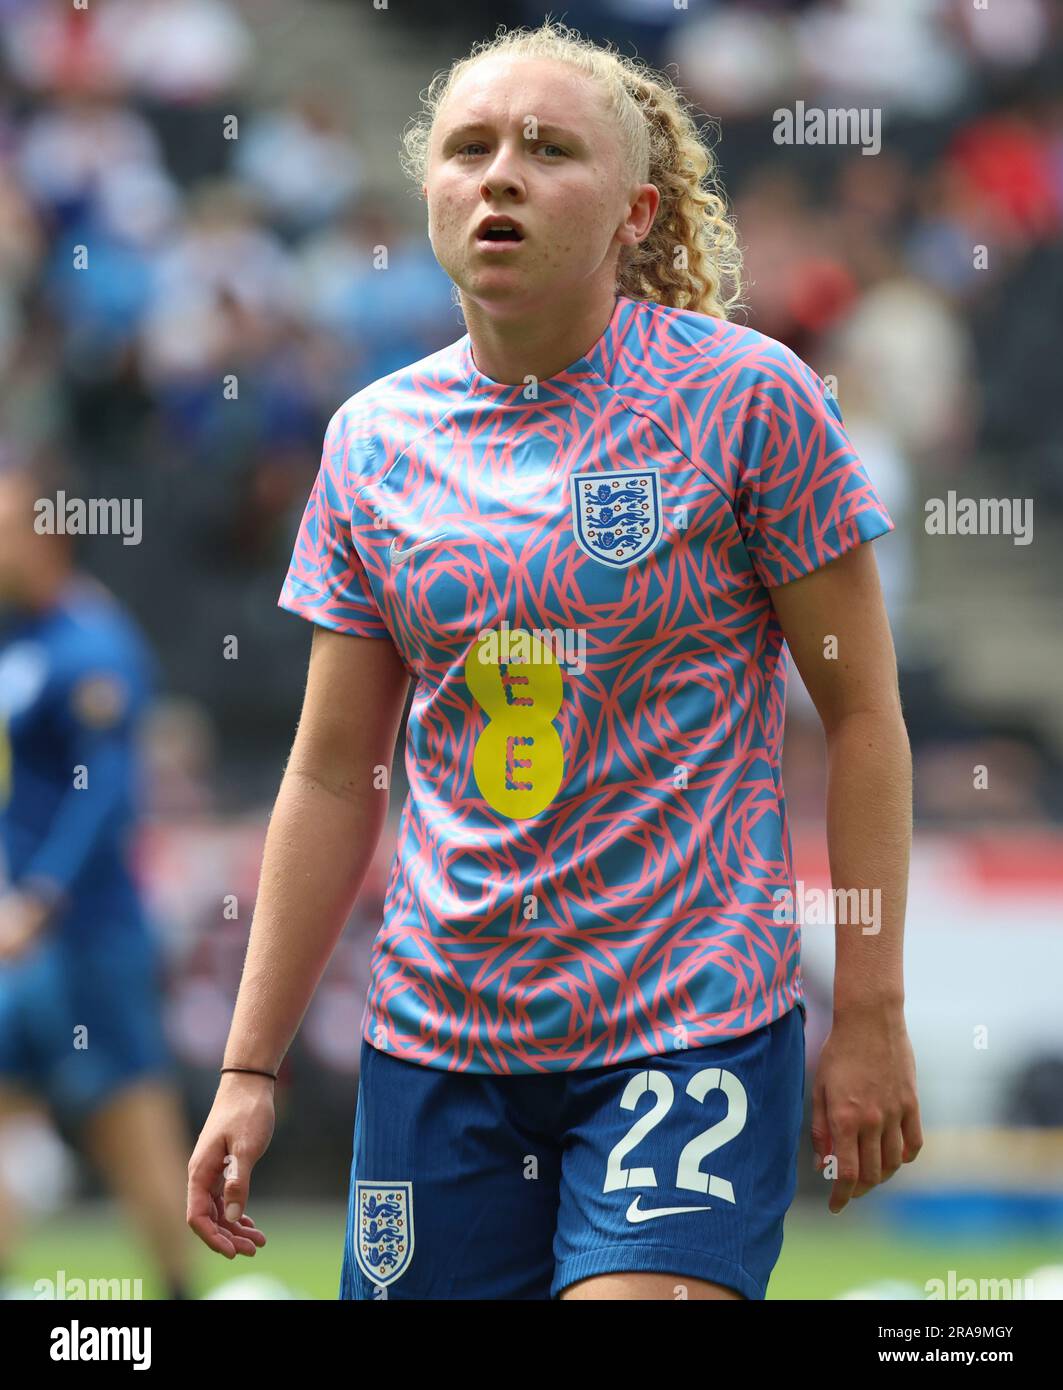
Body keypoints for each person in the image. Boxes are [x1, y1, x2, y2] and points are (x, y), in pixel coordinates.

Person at [187, 19, 923, 1300]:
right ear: (429, 191)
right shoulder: (372, 440)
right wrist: (250, 1064)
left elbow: (861, 715)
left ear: (638, 210)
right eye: (468, 148)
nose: (499, 176)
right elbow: (326, 774)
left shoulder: (751, 400)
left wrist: (868, 1007)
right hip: (438, 1038)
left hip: (685, 1018)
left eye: (545, 149)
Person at [0, 458, 192, 1300]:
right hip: (18, 939)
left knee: (130, 1118)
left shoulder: (94, 644)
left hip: (89, 932)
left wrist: (40, 896)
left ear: (46, 532)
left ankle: (179, 1286)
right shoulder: (19, 640)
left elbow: (103, 793)